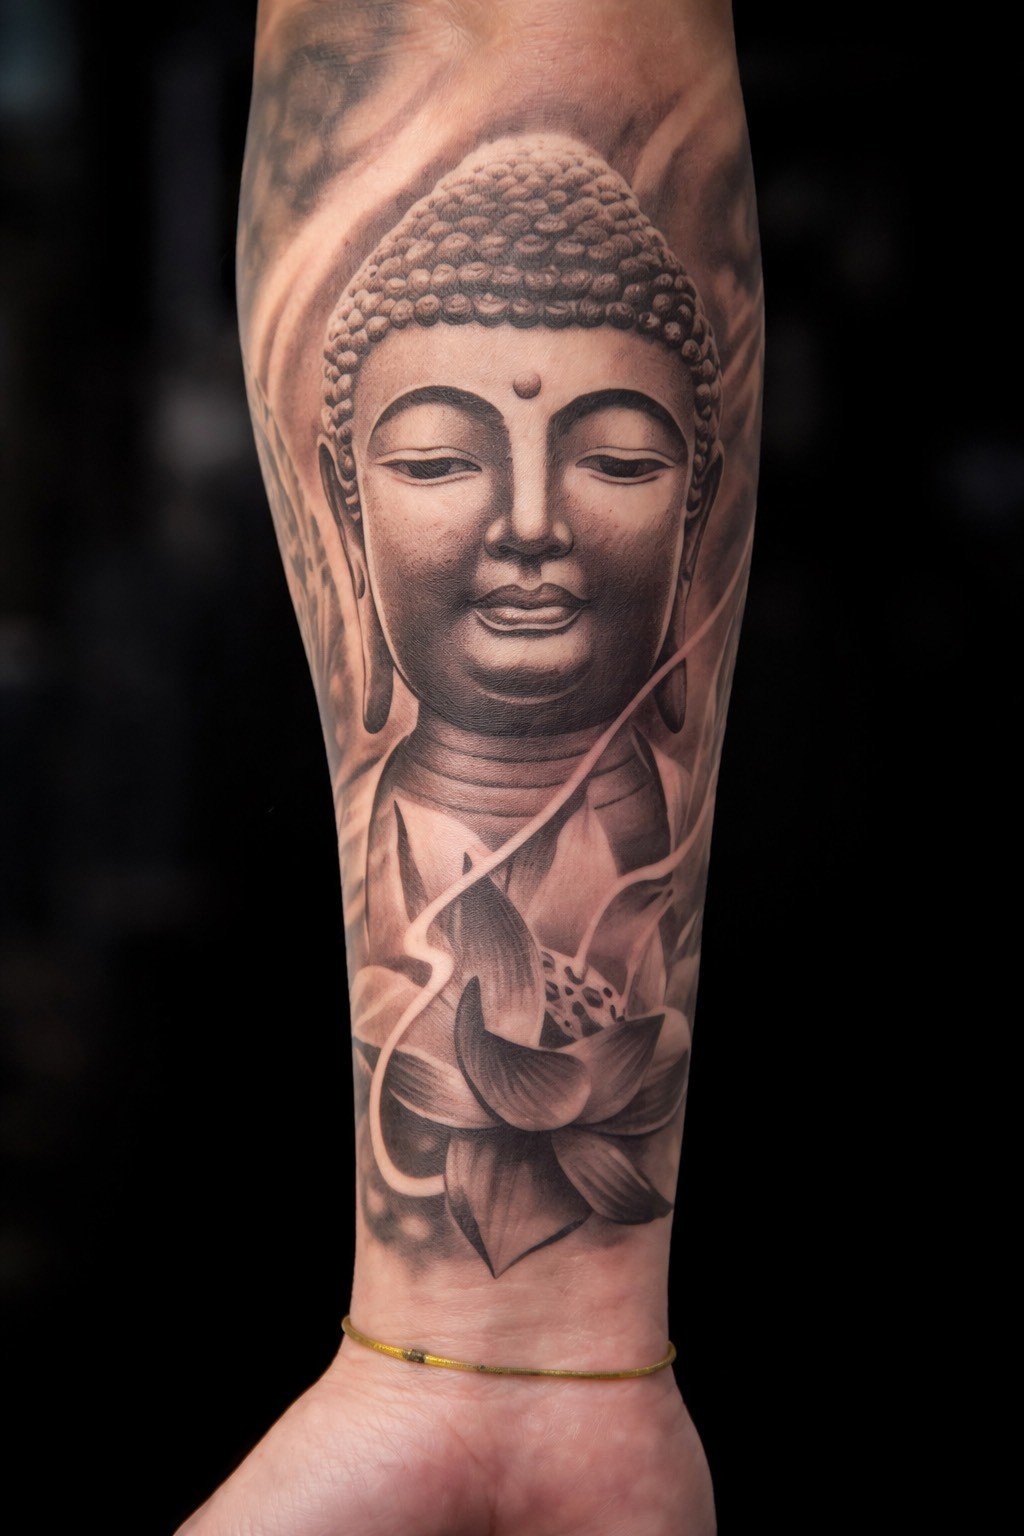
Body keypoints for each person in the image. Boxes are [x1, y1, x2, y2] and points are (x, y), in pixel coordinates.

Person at [181, 2, 762, 1531]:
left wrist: (542, 1352)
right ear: (345, 506)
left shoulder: (637, 859)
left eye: (617, 458)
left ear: (696, 504)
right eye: (437, 458)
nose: (529, 525)